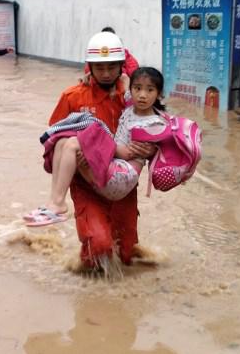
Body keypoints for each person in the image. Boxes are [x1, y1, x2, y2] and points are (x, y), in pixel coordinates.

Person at [24, 31, 156, 269]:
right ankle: (88, 288)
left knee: (126, 253)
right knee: (99, 247)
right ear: (90, 67)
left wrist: (148, 150)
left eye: (111, 68)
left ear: (121, 66)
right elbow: (54, 141)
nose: (105, 74)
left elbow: (157, 127)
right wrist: (78, 156)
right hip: (87, 183)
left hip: (121, 183)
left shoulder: (133, 97)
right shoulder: (73, 96)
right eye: (99, 68)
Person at [28, 67, 166, 225]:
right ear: (131, 89)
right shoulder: (131, 105)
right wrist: (92, 74)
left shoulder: (154, 123)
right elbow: (125, 75)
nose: (142, 95)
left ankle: (58, 203)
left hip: (122, 176)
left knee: (77, 140)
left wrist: (95, 145)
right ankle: (54, 202)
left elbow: (127, 154)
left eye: (150, 90)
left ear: (159, 94)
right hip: (113, 167)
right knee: (62, 141)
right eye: (138, 89)